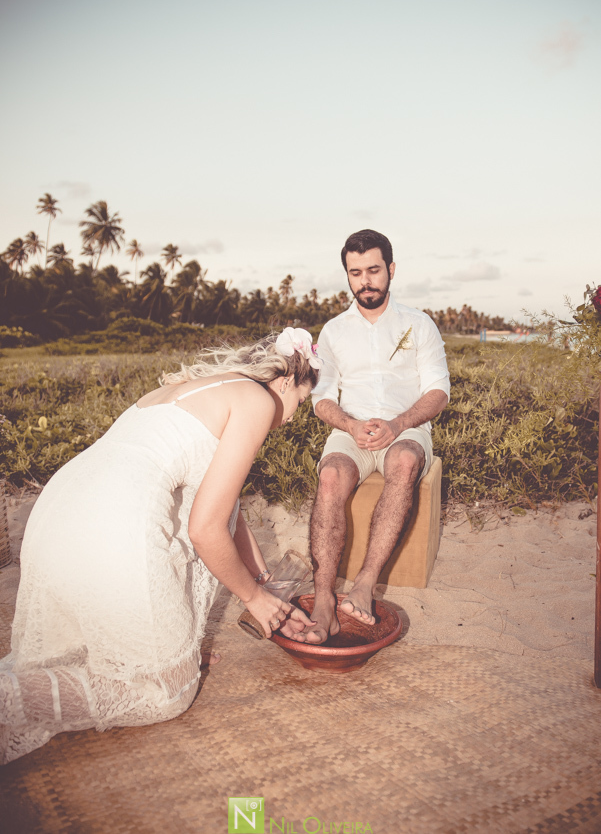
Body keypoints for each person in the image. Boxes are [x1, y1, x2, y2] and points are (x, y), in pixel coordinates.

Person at [0, 328, 320, 764]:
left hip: (58, 510)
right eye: (300, 402)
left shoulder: (186, 388)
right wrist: (254, 598)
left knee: (121, 657)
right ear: (285, 381)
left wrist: (265, 583)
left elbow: (229, 512)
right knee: (167, 693)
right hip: (113, 525)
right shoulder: (259, 401)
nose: (291, 416)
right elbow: (207, 530)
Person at [305, 230, 450, 644]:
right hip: (352, 430)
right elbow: (321, 399)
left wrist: (399, 424)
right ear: (347, 276)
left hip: (405, 428)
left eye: (373, 270)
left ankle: (366, 584)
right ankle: (322, 599)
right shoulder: (333, 331)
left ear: (390, 269)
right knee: (331, 475)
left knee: (404, 462)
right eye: (356, 273)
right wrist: (350, 426)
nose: (365, 281)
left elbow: (439, 391)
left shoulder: (419, 324)